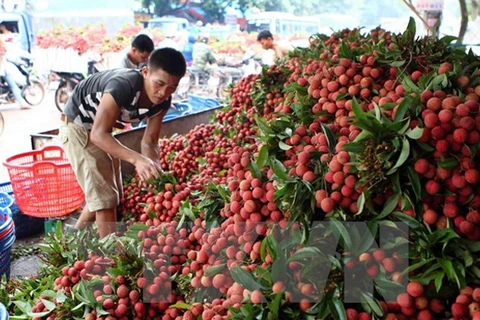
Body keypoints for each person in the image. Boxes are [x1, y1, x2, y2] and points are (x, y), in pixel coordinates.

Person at [60, 48, 187, 238]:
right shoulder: (123, 86)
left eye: (172, 88)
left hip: (102, 129)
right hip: (79, 125)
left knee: (110, 191)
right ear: (145, 72)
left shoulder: (163, 102)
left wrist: (154, 170)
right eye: (159, 84)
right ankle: (109, 257)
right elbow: (97, 134)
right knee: (105, 199)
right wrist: (137, 160)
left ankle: (75, 232)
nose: (163, 92)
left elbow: (150, 141)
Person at [0, 37, 30, 109]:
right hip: (2, 68)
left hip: (3, 68)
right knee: (13, 86)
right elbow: (5, 51)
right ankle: (22, 103)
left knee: (12, 85)